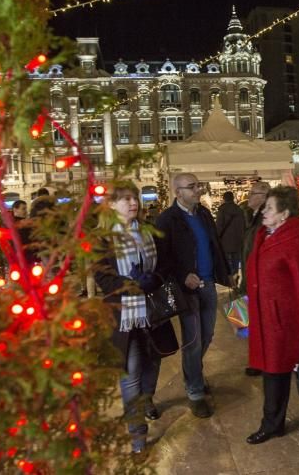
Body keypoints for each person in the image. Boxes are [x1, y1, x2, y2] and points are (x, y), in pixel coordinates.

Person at [93, 183, 178, 457]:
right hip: (123, 315)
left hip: (152, 310)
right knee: (130, 373)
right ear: (112, 205)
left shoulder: (147, 231)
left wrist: (154, 278)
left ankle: (148, 398)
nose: (134, 203)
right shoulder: (102, 238)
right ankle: (137, 434)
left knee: (154, 360)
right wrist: (130, 284)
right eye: (126, 199)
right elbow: (103, 278)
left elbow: (166, 263)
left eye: (135, 198)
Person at [245, 186, 299, 444]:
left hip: (290, 321)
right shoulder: (265, 235)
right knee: (273, 372)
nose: (264, 211)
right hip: (270, 319)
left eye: (269, 208)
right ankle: (272, 424)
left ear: (284, 214)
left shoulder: (295, 239)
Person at [154, 173, 232, 418]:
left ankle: (194, 373)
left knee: (207, 335)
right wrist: (182, 275)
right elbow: (161, 259)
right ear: (178, 192)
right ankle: (195, 391)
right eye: (192, 186)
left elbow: (215, 246)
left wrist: (226, 273)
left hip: (208, 284)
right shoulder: (167, 220)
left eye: (199, 185)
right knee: (194, 339)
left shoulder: (204, 213)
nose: (198, 189)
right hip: (186, 289)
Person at [240, 181, 271, 377]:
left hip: (257, 280)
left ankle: (261, 361)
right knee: (245, 322)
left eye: (253, 193)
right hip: (249, 277)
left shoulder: (264, 218)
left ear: (264, 196)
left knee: (256, 323)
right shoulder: (252, 217)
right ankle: (256, 359)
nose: (249, 196)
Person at [215, 191, 246, 274]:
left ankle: (230, 279)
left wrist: (216, 238)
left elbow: (219, 226)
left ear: (224, 198)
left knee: (226, 262)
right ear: (233, 198)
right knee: (236, 261)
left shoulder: (222, 210)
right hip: (238, 241)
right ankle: (235, 277)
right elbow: (243, 226)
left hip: (225, 241)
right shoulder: (239, 210)